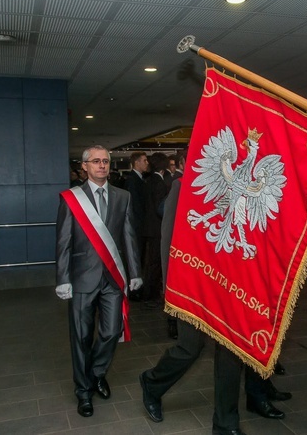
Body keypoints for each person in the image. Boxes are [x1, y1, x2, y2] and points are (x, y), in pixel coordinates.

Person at [140, 175, 291, 434]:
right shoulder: (182, 184)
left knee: (231, 354)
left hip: (230, 286)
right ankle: (152, 383)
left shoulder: (238, 181)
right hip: (193, 283)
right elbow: (167, 238)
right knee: (190, 347)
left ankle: (225, 424)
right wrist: (170, 289)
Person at [55, 145, 143, 418]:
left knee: (110, 331)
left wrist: (135, 272)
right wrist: (62, 278)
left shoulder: (122, 196)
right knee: (80, 337)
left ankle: (95, 373)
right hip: (82, 277)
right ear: (85, 167)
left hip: (112, 280)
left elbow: (128, 236)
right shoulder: (72, 198)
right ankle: (84, 391)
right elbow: (63, 241)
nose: (102, 165)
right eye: (96, 161)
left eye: (105, 161)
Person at [142, 152, 170, 302]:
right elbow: (160, 208)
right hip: (157, 228)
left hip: (149, 227)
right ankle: (151, 295)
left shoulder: (148, 180)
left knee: (151, 262)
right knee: (155, 262)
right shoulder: (159, 183)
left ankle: (148, 293)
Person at [124, 151, 149, 300]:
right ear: (137, 163)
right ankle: (134, 289)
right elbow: (135, 207)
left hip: (140, 226)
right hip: (136, 226)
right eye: (144, 161)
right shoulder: (133, 180)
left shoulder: (140, 179)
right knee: (135, 256)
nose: (147, 163)